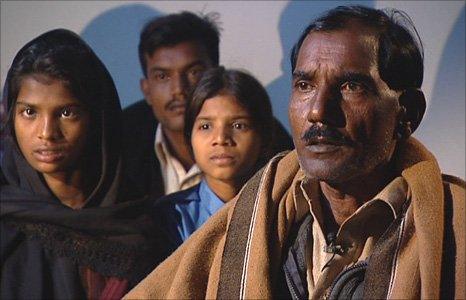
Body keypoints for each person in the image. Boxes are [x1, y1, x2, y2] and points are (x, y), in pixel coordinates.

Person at [124, 5, 465, 299]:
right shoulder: (256, 211)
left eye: (350, 86)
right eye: (304, 85)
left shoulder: (455, 227)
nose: (318, 110)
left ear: (407, 114)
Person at [0, 29, 172, 299]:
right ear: (11, 115)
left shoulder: (142, 227)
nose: (46, 132)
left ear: (97, 119)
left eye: (67, 112)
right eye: (29, 112)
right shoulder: (7, 226)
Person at [122, 11, 293, 200]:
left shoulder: (265, 138)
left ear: (215, 75)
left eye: (194, 72)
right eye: (163, 76)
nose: (179, 89)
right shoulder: (121, 141)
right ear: (146, 90)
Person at [154, 67, 276, 245]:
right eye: (205, 127)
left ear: (263, 136)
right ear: (190, 138)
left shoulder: (284, 209)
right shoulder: (171, 216)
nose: (220, 139)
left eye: (238, 125)